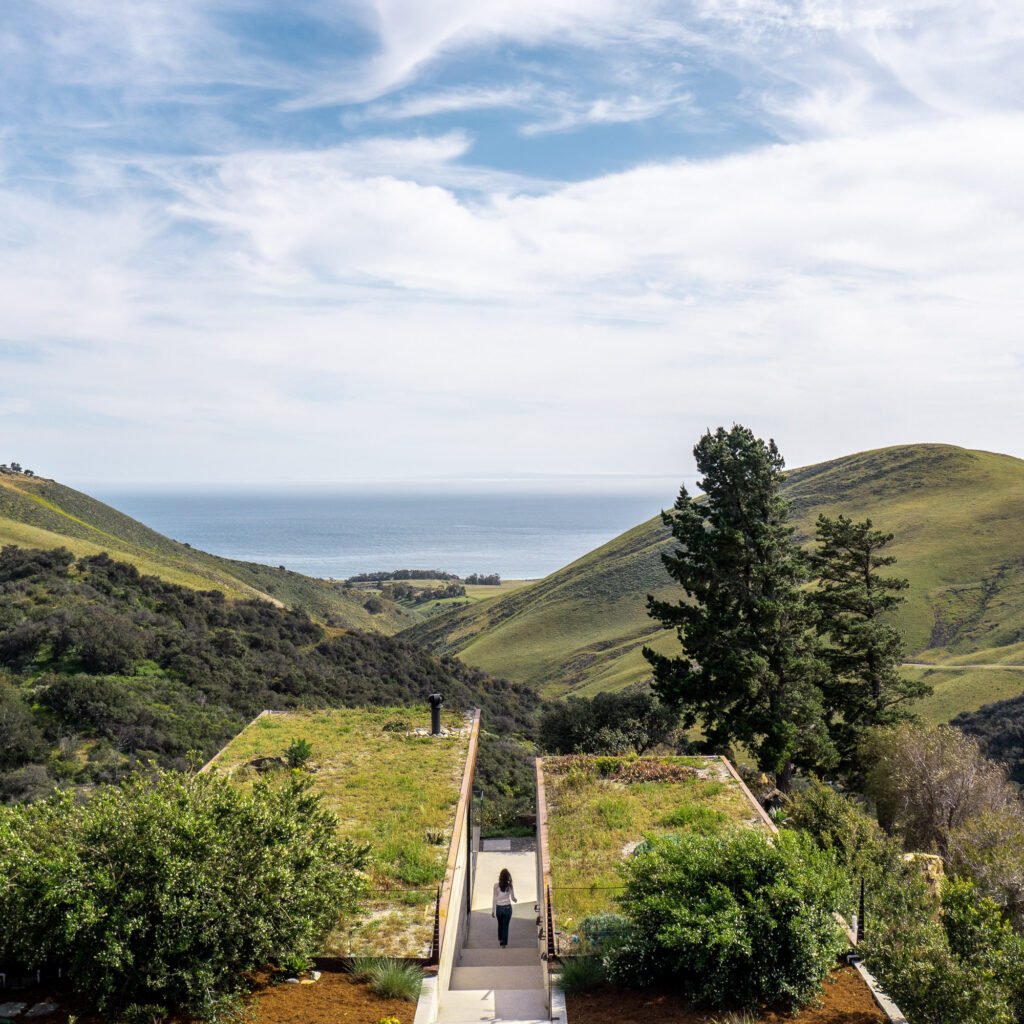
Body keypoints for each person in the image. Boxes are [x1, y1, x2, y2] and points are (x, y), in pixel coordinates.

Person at [491, 867, 517, 947]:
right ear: (507, 877)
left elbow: (494, 898)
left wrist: (493, 910)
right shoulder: (510, 886)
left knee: (500, 924)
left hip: (499, 908)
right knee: (505, 926)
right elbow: (512, 898)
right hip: (507, 908)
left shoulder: (496, 886)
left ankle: (501, 938)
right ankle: (503, 943)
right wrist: (515, 900)